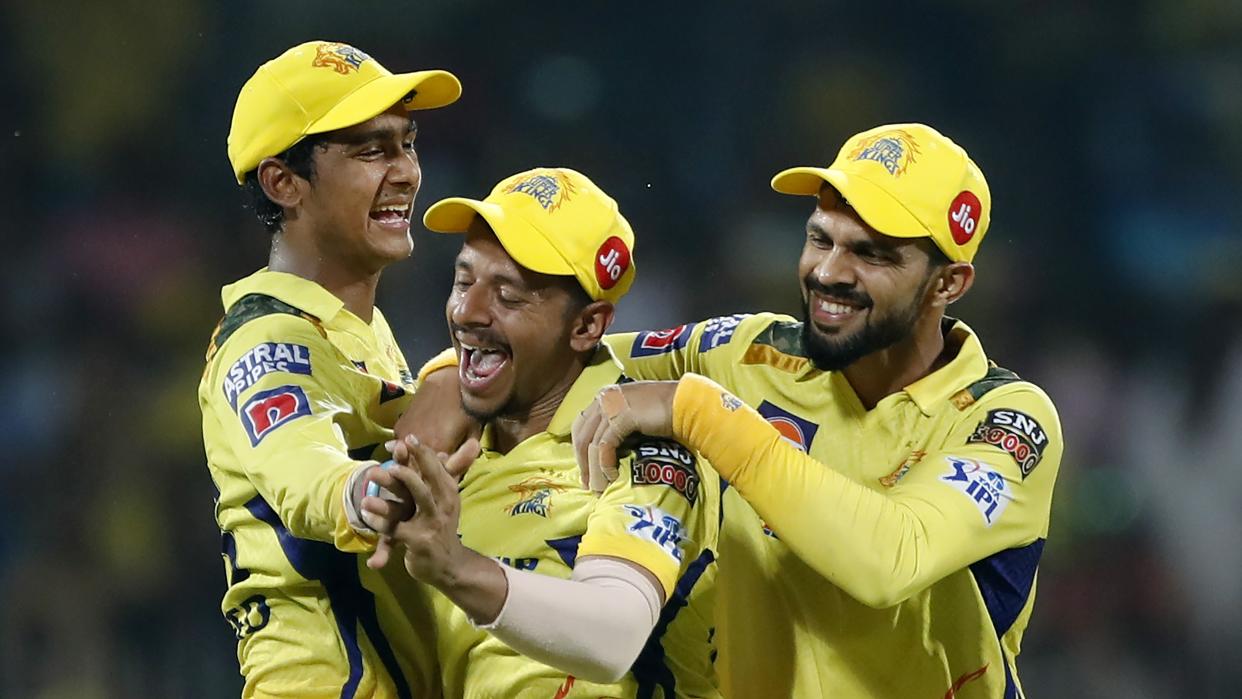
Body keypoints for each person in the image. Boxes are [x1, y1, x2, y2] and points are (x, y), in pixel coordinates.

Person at [571, 123, 1064, 698]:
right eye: (820, 239)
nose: (829, 273)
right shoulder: (746, 352)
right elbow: (552, 359)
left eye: (871, 254)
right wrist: (448, 376)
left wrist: (698, 411)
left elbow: (891, 561)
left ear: (947, 284)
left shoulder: (1005, 418)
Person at [362, 167, 722, 698]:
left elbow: (612, 636)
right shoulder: (443, 448)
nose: (467, 311)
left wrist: (456, 568)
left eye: (508, 296)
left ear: (587, 326)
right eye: (463, 280)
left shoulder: (638, 449)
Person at [198, 40, 463, 698]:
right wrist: (364, 491)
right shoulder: (266, 340)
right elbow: (301, 466)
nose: (405, 171)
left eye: (407, 143)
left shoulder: (358, 328)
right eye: (371, 150)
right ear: (283, 181)